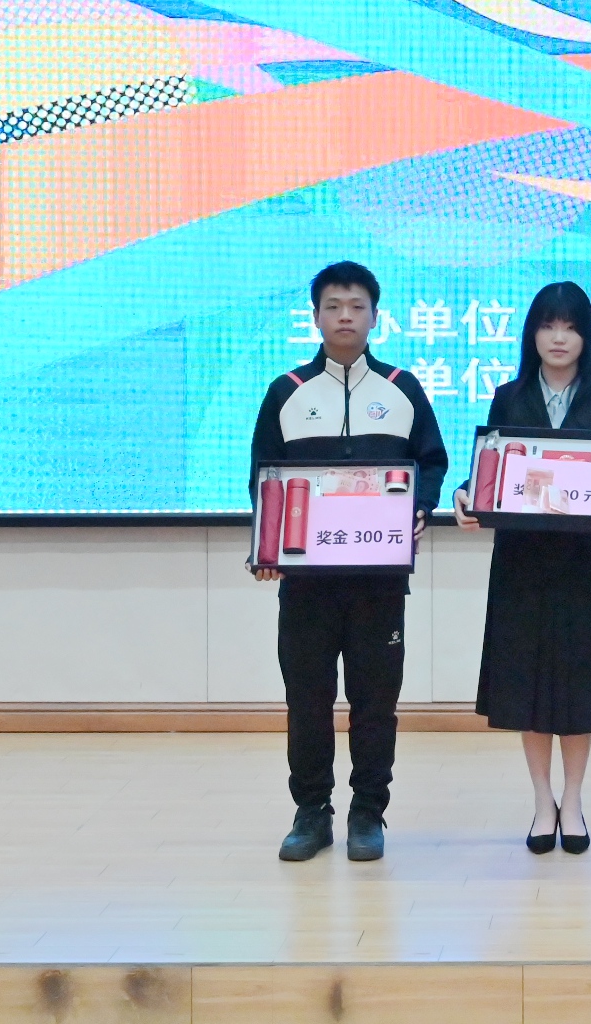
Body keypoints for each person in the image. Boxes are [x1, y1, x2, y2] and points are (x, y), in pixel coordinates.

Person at [249, 261, 449, 866]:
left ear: (374, 316)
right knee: (307, 700)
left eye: (356, 306)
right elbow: (263, 479)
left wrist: (420, 507)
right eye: (333, 306)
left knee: (374, 702)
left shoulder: (402, 388)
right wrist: (269, 546)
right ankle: (311, 813)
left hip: (378, 583)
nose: (345, 316)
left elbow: (431, 463)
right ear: (315, 316)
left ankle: (368, 812)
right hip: (306, 585)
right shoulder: (286, 391)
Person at [453, 281, 591, 855]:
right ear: (532, 333)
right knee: (527, 686)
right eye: (548, 325)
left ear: (587, 336)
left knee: (579, 688)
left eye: (571, 326)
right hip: (522, 564)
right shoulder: (507, 397)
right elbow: (485, 475)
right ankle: (542, 801)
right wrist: (466, 496)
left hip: (582, 565)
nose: (559, 338)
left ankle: (574, 801)